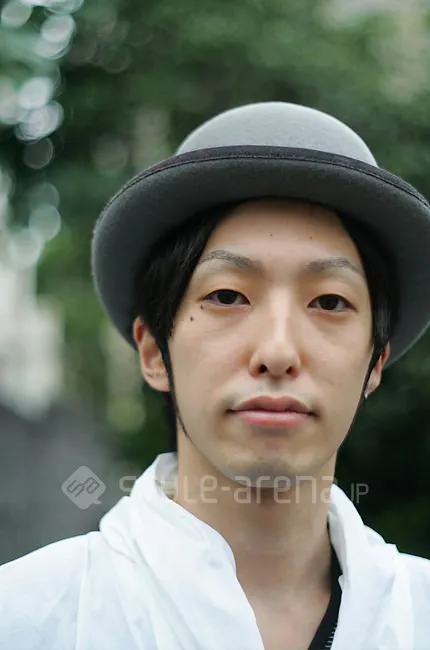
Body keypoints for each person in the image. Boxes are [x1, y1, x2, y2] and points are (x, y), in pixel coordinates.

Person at [1, 101, 430, 650]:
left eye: (329, 301)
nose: (278, 351)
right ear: (154, 351)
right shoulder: (27, 619)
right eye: (227, 296)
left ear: (375, 362)